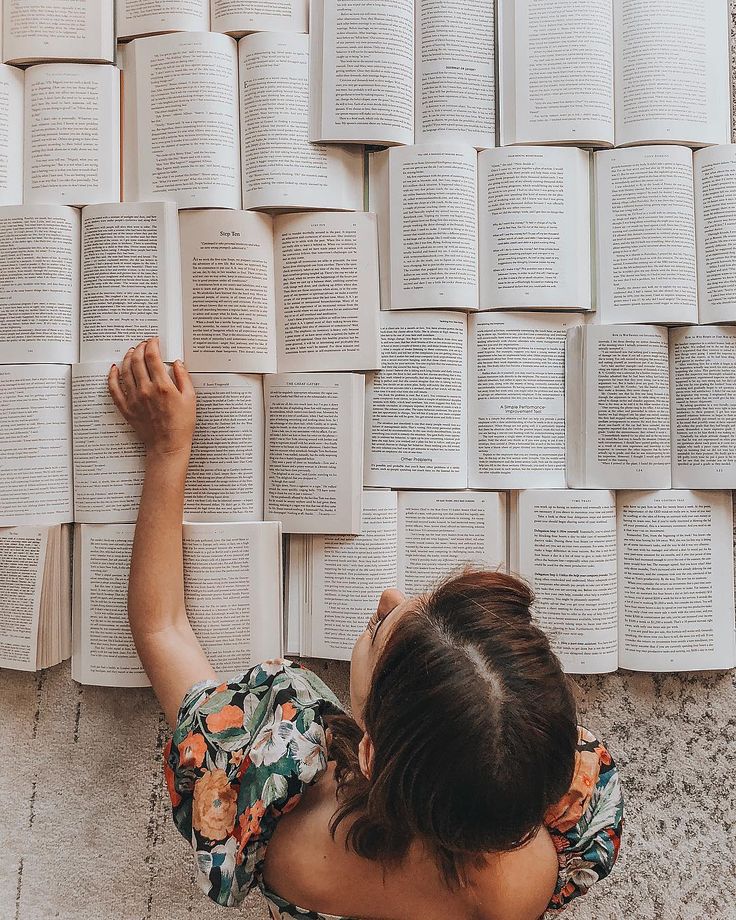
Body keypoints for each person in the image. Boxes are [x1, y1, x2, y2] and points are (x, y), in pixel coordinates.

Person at [108, 337, 624, 920]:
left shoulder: (286, 835)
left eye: (380, 633)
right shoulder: (536, 862)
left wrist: (167, 450)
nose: (387, 595)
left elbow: (161, 629)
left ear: (372, 754)